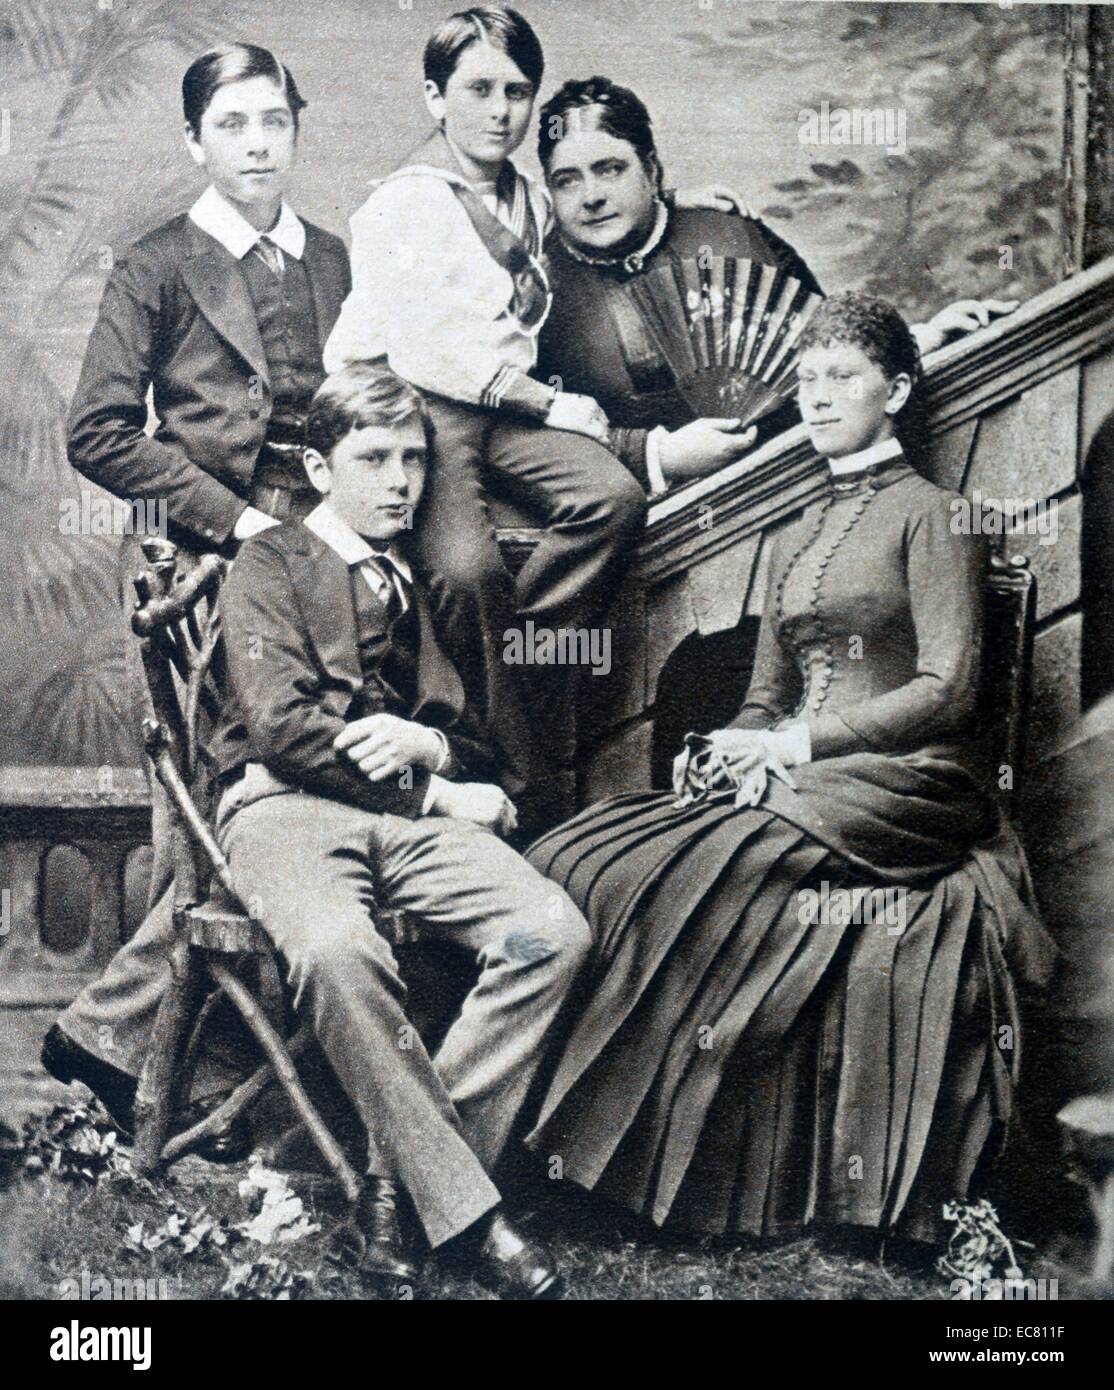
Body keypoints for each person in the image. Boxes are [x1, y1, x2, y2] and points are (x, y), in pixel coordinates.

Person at [522, 293, 1056, 1241]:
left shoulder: (933, 516)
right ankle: (572, 1159)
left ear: (893, 391)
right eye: (805, 380)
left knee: (676, 876)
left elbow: (951, 688)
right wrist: (730, 746)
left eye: (841, 378)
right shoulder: (802, 532)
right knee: (588, 855)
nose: (816, 398)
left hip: (908, 783)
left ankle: (635, 1177)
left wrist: (796, 746)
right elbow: (766, 697)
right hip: (798, 775)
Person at [208, 362, 590, 1296]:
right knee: (339, 950)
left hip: (409, 819)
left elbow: (479, 743)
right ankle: (474, 1217)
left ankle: (400, 1188)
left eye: (414, 459)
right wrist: (431, 795)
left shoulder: (428, 580)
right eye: (372, 458)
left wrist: (430, 746)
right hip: (284, 810)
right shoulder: (268, 564)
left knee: (553, 933)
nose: (400, 482)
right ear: (317, 465)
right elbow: (284, 730)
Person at [42, 43, 350, 1155]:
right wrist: (235, 518)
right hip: (200, 565)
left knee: (296, 777)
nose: (258, 143)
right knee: (237, 787)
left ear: (296, 130)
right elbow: (98, 430)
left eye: (275, 120)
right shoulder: (158, 264)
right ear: (194, 143)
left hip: (323, 558)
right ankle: (164, 1047)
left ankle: (120, 1040)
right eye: (232, 125)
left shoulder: (336, 260)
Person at [324, 9, 733, 789]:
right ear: (435, 98)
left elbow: (592, 225)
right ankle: (519, 764)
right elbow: (425, 348)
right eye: (477, 89)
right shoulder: (400, 205)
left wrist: (683, 206)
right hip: (416, 405)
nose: (500, 111)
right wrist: (547, 405)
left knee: (612, 498)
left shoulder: (530, 198)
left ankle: (512, 680)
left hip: (502, 411)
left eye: (517, 91)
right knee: (468, 569)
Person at [536, 77, 1018, 496]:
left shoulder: (731, 235)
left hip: (784, 483)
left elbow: (826, 340)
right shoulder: (531, 288)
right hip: (637, 525)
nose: (592, 196)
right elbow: (524, 443)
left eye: (610, 169)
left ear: (653, 170)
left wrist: (916, 342)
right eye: (567, 180)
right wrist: (656, 456)